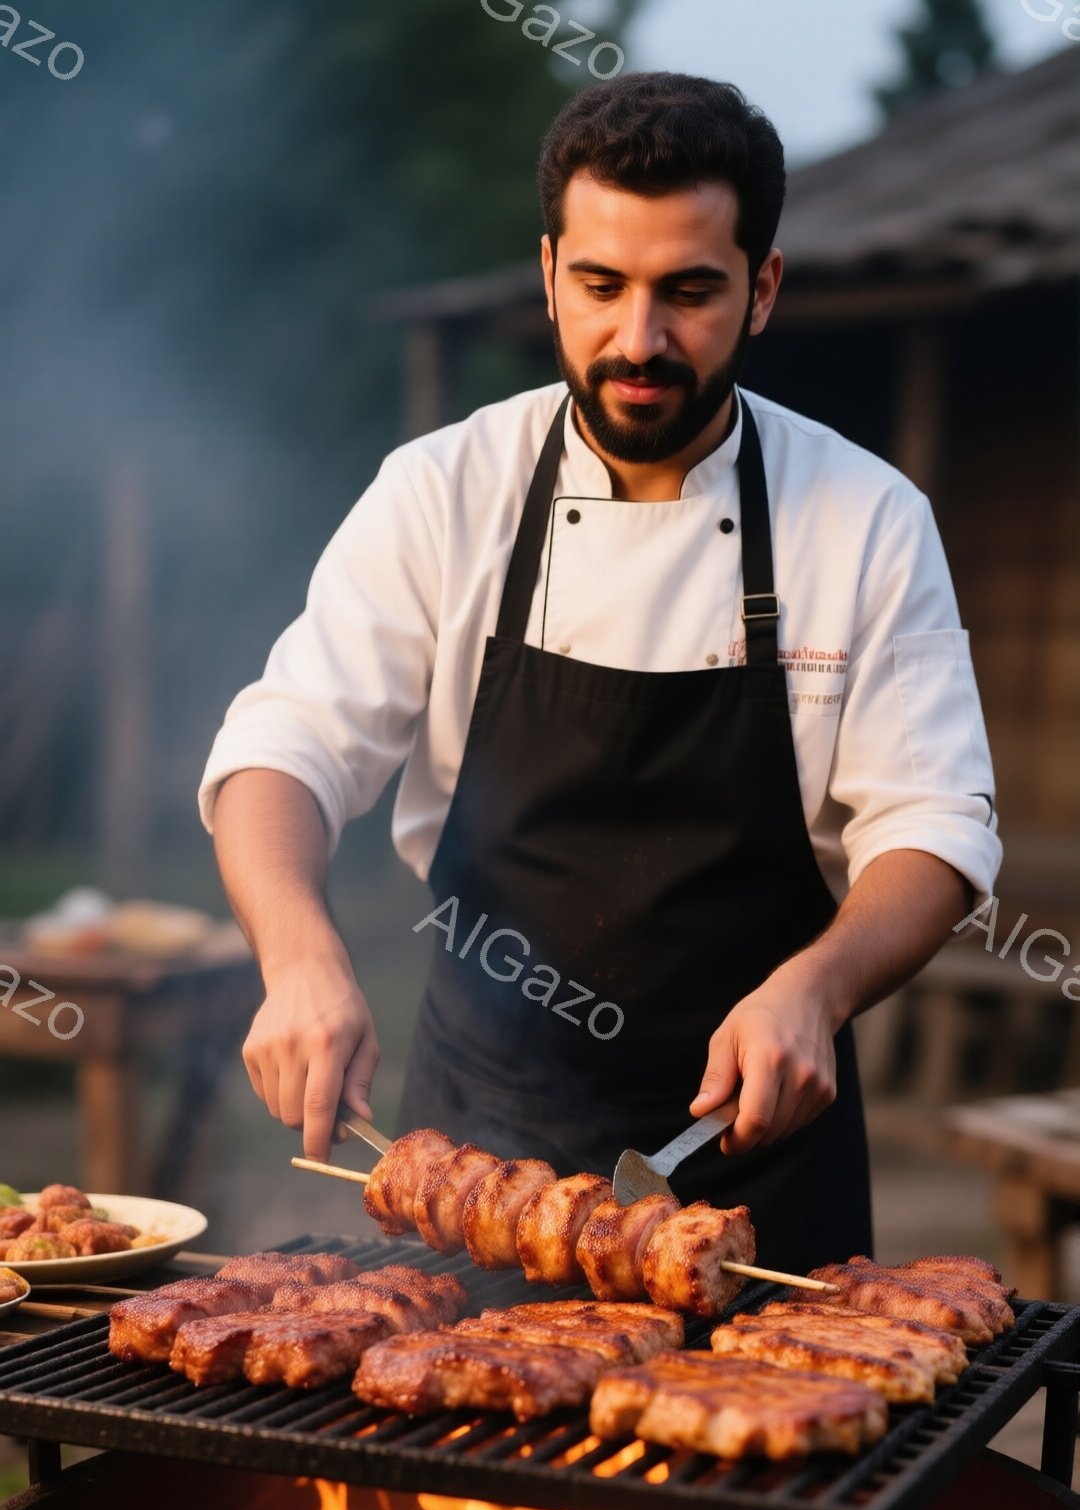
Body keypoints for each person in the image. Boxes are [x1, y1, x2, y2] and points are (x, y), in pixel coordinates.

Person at [198, 72, 1000, 1272]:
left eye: (688, 292)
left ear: (762, 288)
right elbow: (287, 744)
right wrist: (299, 955)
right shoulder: (444, 491)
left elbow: (934, 821)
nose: (639, 340)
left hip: (755, 1166)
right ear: (548, 272)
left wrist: (822, 989)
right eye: (601, 286)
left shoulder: (867, 519)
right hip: (478, 1161)